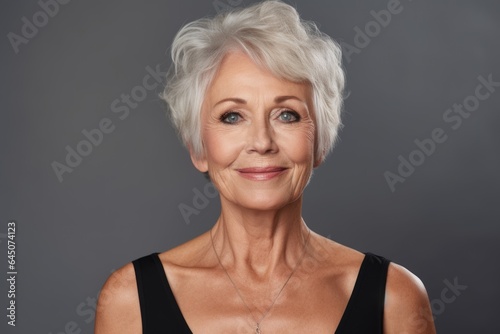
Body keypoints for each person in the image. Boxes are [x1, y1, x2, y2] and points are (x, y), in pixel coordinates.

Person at [95, 1, 436, 333]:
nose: (261, 141)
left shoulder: (396, 298)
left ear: (320, 142)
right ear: (198, 149)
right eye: (232, 116)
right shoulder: (129, 299)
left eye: (287, 115)